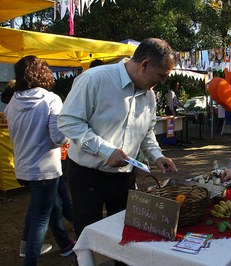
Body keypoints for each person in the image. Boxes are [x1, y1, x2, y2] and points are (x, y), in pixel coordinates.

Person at [58, 38, 178, 240]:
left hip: (125, 177)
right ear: (145, 64)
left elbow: (146, 131)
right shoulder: (94, 79)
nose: (163, 82)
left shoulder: (149, 95)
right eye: (161, 75)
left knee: (125, 231)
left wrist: (157, 156)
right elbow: (69, 122)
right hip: (88, 175)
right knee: (89, 235)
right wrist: (105, 151)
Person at [4, 55, 74, 265]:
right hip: (45, 170)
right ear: (43, 73)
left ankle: (63, 245)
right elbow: (57, 138)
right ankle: (30, 258)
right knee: (40, 217)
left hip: (23, 168)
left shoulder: (12, 102)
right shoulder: (51, 99)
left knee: (45, 207)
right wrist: (69, 132)